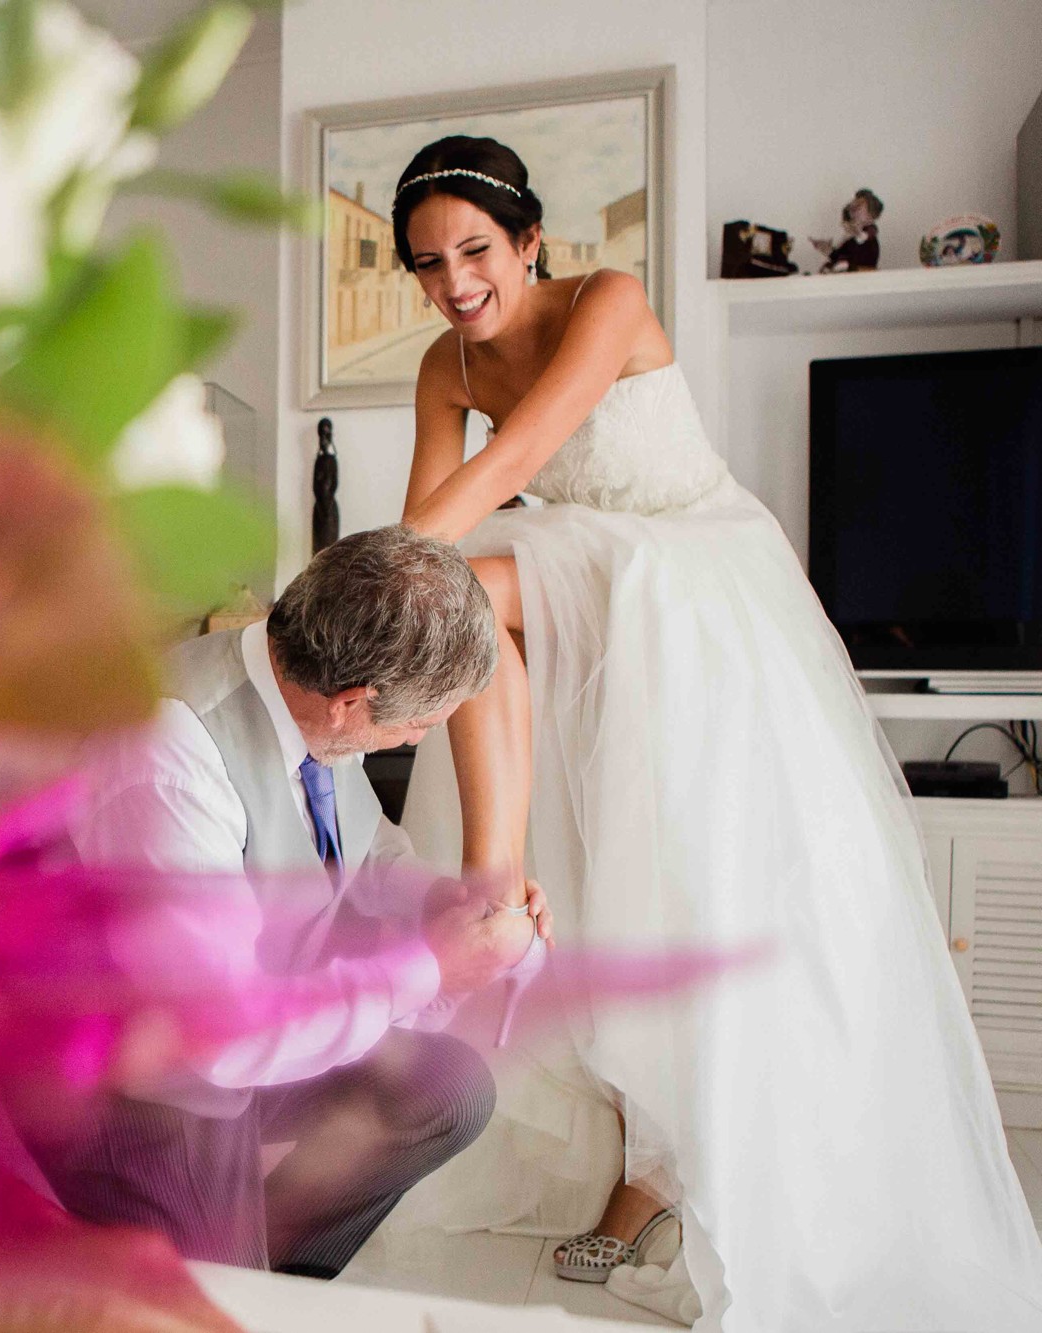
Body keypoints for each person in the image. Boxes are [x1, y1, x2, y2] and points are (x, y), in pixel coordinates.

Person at [383, 134, 1042, 1330]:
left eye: (473, 250)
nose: (454, 283)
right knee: (470, 630)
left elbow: (522, 458)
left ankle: (668, 1124)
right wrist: (371, 583)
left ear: (529, 240)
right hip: (588, 590)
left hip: (692, 578)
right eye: (427, 265)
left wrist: (377, 566)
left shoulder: (610, 299)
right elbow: (423, 524)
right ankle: (511, 907)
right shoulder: (443, 365)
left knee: (706, 878)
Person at [36, 525, 549, 1279]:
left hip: (237, 1029)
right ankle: (225, 1278)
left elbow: (370, 854)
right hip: (140, 1085)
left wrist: (459, 903)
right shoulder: (170, 756)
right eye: (416, 726)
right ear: (352, 702)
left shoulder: (303, 693)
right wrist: (430, 971)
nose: (414, 739)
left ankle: (274, 1277)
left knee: (447, 1092)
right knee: (218, 1307)